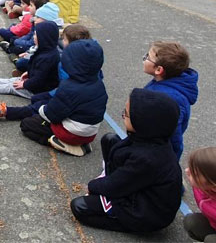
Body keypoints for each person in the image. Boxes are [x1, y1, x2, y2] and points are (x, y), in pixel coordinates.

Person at [71, 88, 182, 233]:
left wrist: (93, 186)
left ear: (143, 124)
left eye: (127, 115)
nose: (123, 116)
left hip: (144, 212)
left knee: (79, 206)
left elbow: (116, 185)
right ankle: (108, 180)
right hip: (136, 184)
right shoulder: (153, 137)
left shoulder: (147, 159)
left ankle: (123, 223)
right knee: (109, 139)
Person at [19, 38, 107, 157]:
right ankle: (82, 143)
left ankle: (64, 143)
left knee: (27, 124)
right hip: (91, 133)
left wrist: (41, 109)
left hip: (72, 133)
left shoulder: (69, 86)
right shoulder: (98, 83)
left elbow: (52, 115)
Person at [0, 24, 93, 121]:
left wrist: (47, 94)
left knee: (36, 109)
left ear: (73, 44)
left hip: (69, 101)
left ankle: (4, 111)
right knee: (35, 99)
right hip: (67, 95)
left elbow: (65, 89)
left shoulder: (68, 63)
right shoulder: (87, 60)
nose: (62, 41)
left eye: (64, 39)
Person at [0, 21, 59, 99]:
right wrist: (28, 73)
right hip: (34, 84)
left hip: (37, 91)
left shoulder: (49, 58)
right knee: (13, 80)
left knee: (12, 87)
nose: (33, 37)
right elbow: (36, 68)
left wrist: (25, 84)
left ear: (44, 38)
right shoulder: (44, 50)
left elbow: (39, 79)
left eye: (36, 35)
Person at [142, 41, 198, 159]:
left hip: (154, 153)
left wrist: (171, 159)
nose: (144, 58)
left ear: (159, 70)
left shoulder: (165, 99)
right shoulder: (167, 82)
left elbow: (174, 137)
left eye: (148, 57)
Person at [183, 147, 216, 243]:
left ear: (215, 188)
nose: (187, 170)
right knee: (192, 221)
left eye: (195, 174)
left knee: (212, 240)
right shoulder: (204, 186)